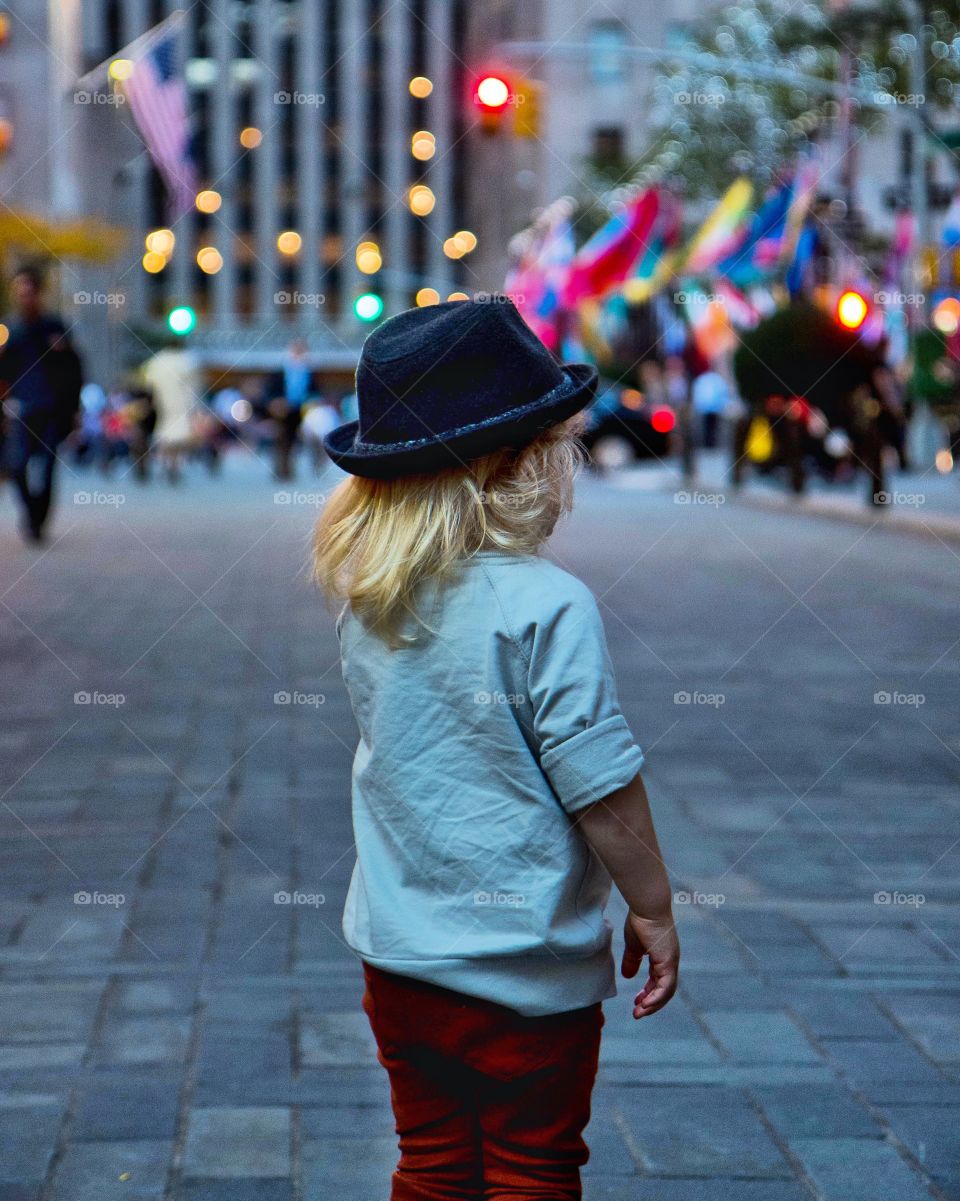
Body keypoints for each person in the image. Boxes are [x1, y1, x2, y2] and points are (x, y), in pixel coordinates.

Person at [312, 299, 680, 1200]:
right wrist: (655, 907)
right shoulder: (547, 605)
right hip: (527, 969)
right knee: (532, 1166)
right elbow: (602, 788)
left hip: (401, 960)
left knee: (432, 1162)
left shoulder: (372, 602)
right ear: (517, 464)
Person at [0, 265, 83, 543]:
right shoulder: (9, 330)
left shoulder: (54, 327)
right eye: (19, 292)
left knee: (47, 466)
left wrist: (73, 409)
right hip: (20, 408)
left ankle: (39, 521)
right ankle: (31, 511)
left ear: (38, 294)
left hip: (51, 408)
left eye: (29, 292)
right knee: (17, 465)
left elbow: (73, 368)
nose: (24, 297)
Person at [140, 342, 200, 483]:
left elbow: (149, 384)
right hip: (180, 405)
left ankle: (167, 463)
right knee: (179, 436)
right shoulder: (187, 361)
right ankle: (174, 464)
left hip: (164, 404)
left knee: (166, 434)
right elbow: (195, 385)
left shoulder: (157, 361)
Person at [266, 338, 314, 480]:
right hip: (281, 410)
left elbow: (314, 392)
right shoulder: (279, 372)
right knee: (281, 439)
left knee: (293, 441)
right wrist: (275, 402)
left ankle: (288, 468)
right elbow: (269, 392)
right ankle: (280, 468)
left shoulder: (308, 372)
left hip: (299, 410)